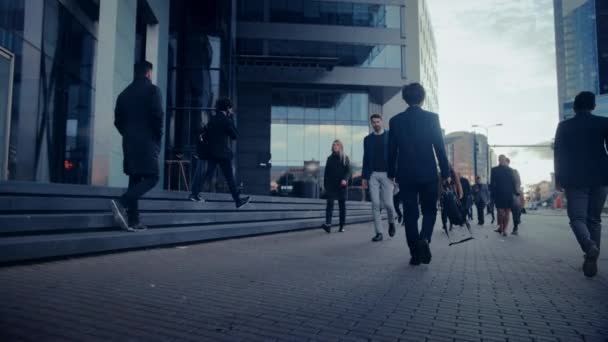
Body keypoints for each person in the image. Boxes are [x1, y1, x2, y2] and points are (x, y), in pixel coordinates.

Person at [388, 83, 450, 265]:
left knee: (410, 214)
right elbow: (439, 146)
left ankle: (415, 254)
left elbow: (392, 150)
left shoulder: (396, 121)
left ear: (405, 99)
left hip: (405, 174)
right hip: (428, 173)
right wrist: (445, 171)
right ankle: (425, 238)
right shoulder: (432, 118)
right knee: (430, 210)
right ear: (422, 98)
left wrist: (391, 172)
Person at [554, 91, 608, 278]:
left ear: (575, 106)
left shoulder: (564, 126)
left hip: (575, 179)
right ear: (592, 106)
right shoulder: (603, 122)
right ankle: (591, 258)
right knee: (594, 219)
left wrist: (558, 179)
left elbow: (559, 154)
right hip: (600, 178)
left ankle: (589, 246)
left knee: (577, 218)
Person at [111, 61, 163, 232]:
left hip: (129, 142)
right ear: (148, 73)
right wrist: (157, 138)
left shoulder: (123, 94)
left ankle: (134, 221)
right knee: (153, 177)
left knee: (134, 178)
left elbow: (117, 121)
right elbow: (157, 116)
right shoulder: (153, 90)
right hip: (147, 141)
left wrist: (128, 134)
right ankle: (122, 202)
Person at [188, 97, 250, 209]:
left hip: (212, 153)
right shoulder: (226, 120)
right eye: (230, 108)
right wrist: (231, 119)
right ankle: (238, 201)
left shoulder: (213, 119)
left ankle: (194, 194)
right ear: (227, 108)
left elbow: (206, 135)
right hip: (222, 155)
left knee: (207, 174)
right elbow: (235, 135)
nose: (231, 110)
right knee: (229, 177)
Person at [362, 114, 397, 242]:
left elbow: (395, 156)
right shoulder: (367, 139)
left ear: (382, 122)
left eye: (378, 121)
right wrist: (364, 177)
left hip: (387, 174)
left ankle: (391, 222)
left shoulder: (390, 136)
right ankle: (379, 233)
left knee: (388, 204)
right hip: (373, 175)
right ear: (371, 124)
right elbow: (365, 159)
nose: (376, 124)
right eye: (374, 122)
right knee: (375, 204)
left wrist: (395, 174)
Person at [322, 140, 352, 233]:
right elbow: (326, 173)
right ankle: (328, 225)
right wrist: (325, 185)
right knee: (329, 205)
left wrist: (345, 179)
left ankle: (342, 226)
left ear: (341, 147)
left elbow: (348, 171)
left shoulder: (344, 158)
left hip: (341, 185)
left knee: (342, 206)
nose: (335, 146)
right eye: (334, 145)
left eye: (337, 145)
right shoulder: (329, 158)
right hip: (331, 186)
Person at [490, 155, 518, 237]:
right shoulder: (496, 170)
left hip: (505, 194)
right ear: (499, 160)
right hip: (502, 194)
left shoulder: (507, 170)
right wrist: (492, 194)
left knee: (505, 212)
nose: (502, 161)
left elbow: (513, 182)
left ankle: (504, 229)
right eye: (501, 159)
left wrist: (515, 192)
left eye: (503, 160)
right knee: (503, 212)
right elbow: (492, 183)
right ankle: (503, 229)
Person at [441, 166, 463, 231]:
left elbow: (456, 186)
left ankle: (451, 224)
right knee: (444, 212)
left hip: (451, 196)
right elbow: (440, 187)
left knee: (452, 210)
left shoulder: (453, 176)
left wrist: (458, 195)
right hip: (444, 197)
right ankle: (444, 225)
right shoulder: (442, 175)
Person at [506, 158, 523, 234]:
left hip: (514, 194)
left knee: (515, 210)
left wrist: (517, 191)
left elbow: (519, 182)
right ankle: (502, 228)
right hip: (505, 194)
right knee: (504, 211)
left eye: (505, 162)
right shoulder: (501, 171)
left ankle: (515, 227)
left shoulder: (514, 171)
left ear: (508, 163)